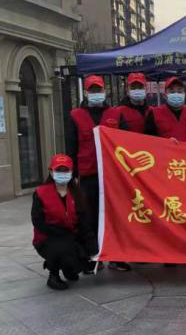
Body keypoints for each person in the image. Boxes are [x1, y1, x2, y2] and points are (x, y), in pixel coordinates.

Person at [65, 75, 130, 272]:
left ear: (104, 91)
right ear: (86, 93)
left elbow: (127, 142)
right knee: (89, 217)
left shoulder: (115, 114)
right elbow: (71, 147)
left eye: (98, 90)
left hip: (112, 176)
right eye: (92, 90)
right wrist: (72, 175)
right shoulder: (75, 116)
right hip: (87, 176)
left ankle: (116, 257)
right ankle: (93, 256)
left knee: (114, 216)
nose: (96, 94)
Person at [32, 155, 98, 290]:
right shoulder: (41, 193)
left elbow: (84, 222)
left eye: (65, 170)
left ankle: (69, 269)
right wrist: (59, 234)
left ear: (71, 172)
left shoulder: (78, 193)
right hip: (48, 238)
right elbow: (37, 221)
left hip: (71, 235)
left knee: (83, 254)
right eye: (58, 170)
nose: (62, 174)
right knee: (62, 248)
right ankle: (53, 275)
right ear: (51, 172)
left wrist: (92, 246)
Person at [145, 76, 186, 144]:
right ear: (165, 95)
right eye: (172, 91)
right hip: (165, 150)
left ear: (184, 94)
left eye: (179, 91)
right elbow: (149, 141)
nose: (176, 94)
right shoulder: (154, 114)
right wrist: (164, 142)